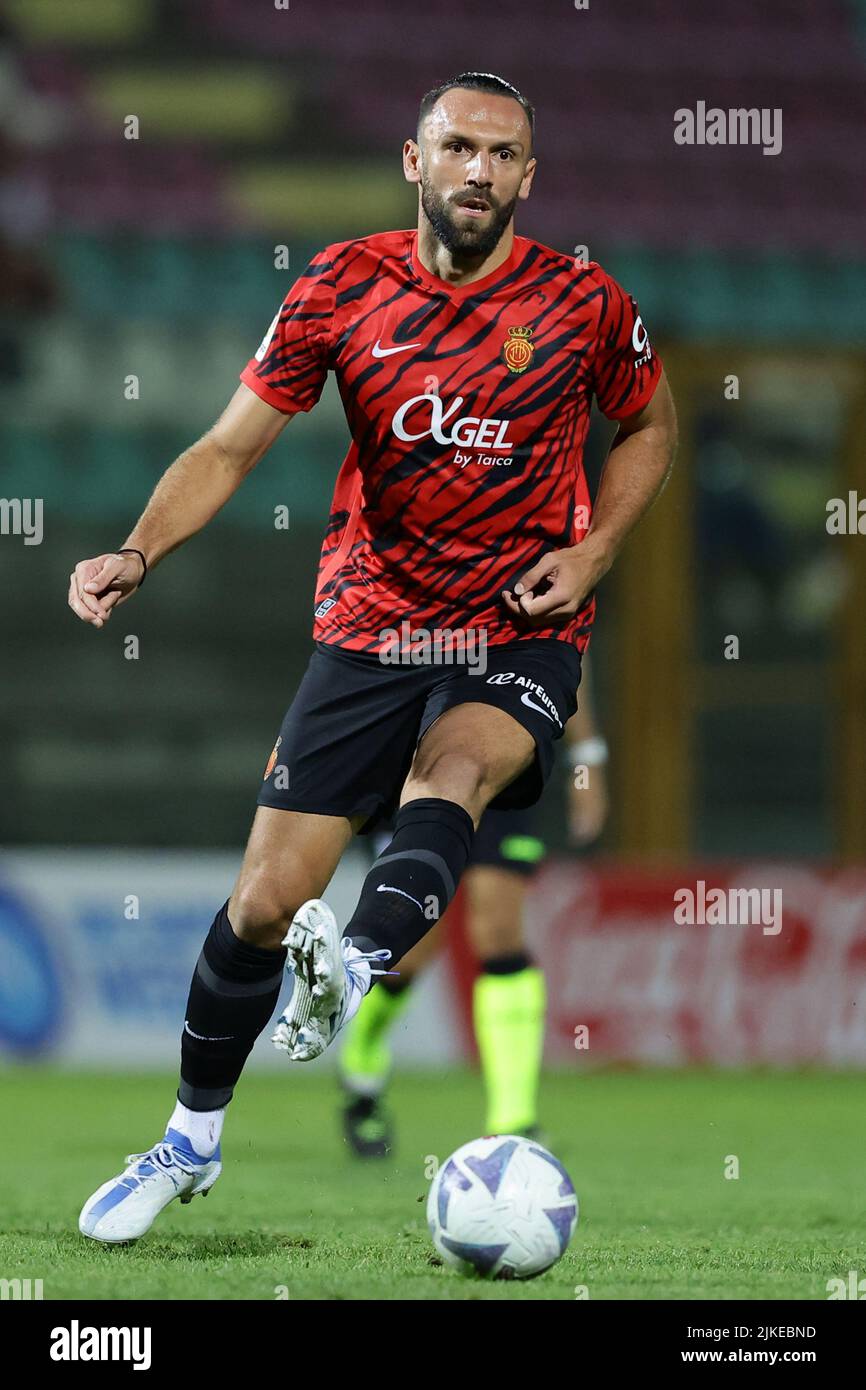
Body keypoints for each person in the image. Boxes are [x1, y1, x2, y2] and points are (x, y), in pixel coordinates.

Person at [69, 71, 676, 1243]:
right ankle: (188, 1141)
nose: (477, 172)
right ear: (414, 160)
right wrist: (137, 554)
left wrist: (598, 548)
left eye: (502, 156)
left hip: (519, 620)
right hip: (371, 623)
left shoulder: (582, 302)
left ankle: (351, 968)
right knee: (258, 903)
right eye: (457, 148)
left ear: (528, 178)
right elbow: (228, 446)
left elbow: (649, 421)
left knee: (450, 777)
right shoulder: (338, 288)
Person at [340, 661, 609, 1155]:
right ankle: (362, 1064)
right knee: (411, 949)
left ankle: (514, 1119)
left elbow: (572, 649)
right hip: (418, 759)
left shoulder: (537, 583)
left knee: (499, 930)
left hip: (507, 746)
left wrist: (587, 756)